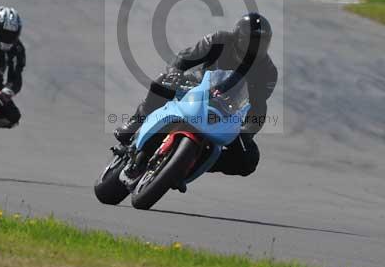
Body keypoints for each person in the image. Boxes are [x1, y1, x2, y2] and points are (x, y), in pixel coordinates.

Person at [115, 12, 277, 177]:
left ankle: (195, 161)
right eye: (252, 42)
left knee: (248, 159)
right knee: (163, 81)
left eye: (262, 43)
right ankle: (136, 121)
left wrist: (247, 132)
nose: (256, 48)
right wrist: (174, 73)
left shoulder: (268, 71)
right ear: (237, 37)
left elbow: (258, 105)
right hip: (194, 88)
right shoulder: (219, 40)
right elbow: (185, 58)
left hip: (227, 110)